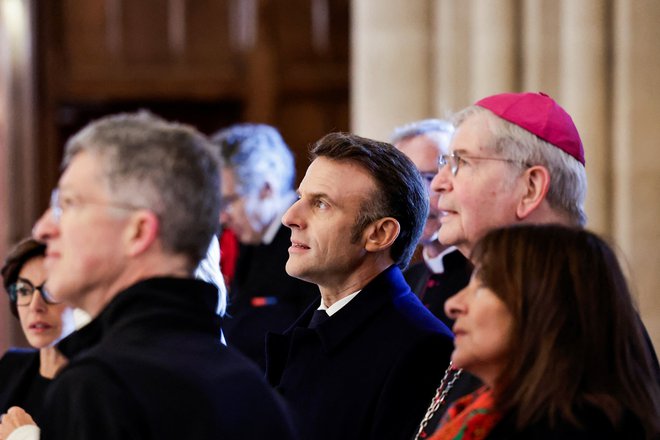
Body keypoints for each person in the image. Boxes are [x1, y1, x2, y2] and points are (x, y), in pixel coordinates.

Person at [0, 112, 297, 440]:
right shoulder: (247, 384)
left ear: (138, 231)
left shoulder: (101, 386)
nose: (44, 229)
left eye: (69, 204)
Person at [415, 91, 659, 436]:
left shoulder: (579, 323)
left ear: (530, 187)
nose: (438, 184)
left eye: (462, 162)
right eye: (445, 164)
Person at [265, 132, 455, 440]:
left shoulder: (421, 349)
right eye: (301, 197)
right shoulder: (310, 328)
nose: (290, 217)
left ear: (379, 234)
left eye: (321, 204)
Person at [430, 224, 660, 439]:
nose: (453, 305)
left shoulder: (578, 428)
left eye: (484, 285)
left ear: (550, 305)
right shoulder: (486, 414)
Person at [210, 123, 318, 370]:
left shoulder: (309, 240)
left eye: (228, 201)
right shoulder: (251, 238)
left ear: (266, 189)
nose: (221, 217)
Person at [390, 119, 472, 329]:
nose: (420, 197)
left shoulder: (487, 277)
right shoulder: (402, 282)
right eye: (407, 182)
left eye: (430, 177)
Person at [0, 238, 75, 425]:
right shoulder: (10, 366)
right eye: (24, 290)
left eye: (50, 291)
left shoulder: (97, 380)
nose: (35, 306)